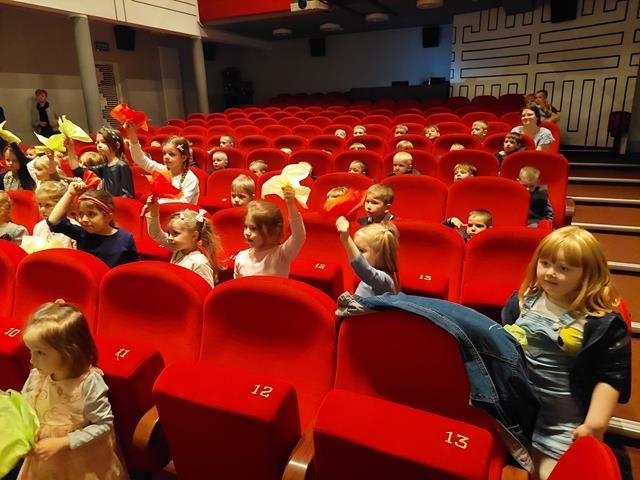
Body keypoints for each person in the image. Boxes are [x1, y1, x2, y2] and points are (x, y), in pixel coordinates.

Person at [501, 226, 630, 480]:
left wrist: (594, 424)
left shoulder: (599, 322)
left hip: (563, 423)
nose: (550, 272)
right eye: (545, 263)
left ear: (588, 274)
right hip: (520, 410)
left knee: (554, 472)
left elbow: (611, 376)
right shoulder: (523, 301)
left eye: (564, 268)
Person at [18, 301, 128, 479]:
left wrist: (64, 442)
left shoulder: (89, 383)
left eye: (40, 352)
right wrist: (24, 432)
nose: (32, 360)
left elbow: (104, 424)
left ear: (68, 352)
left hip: (81, 463)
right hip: (45, 462)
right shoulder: (38, 376)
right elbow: (24, 408)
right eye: (30, 351)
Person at [47, 182, 138, 267]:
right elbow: (53, 220)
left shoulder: (125, 238)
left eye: (91, 214)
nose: (84, 219)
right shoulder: (81, 234)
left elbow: (132, 267)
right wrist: (70, 194)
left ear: (108, 216)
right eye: (80, 214)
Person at [146, 199, 222, 287]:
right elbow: (157, 235)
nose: (170, 238)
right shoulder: (178, 248)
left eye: (175, 233)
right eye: (169, 233)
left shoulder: (200, 262)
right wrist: (154, 213)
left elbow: (206, 289)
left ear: (194, 236)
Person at [234, 186, 305, 278]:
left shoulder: (282, 254)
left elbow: (299, 235)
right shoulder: (241, 257)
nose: (247, 232)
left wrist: (290, 205)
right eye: (246, 227)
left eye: (253, 228)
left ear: (272, 231)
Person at [126, 121, 199, 204]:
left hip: (182, 212)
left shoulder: (190, 179)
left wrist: (157, 202)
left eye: (172, 154)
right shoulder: (162, 170)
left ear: (183, 158)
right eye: (164, 153)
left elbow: (183, 203)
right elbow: (139, 159)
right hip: (160, 210)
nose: (166, 157)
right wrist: (132, 134)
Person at [336, 216, 399, 297]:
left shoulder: (386, 281)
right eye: (356, 248)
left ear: (379, 255)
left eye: (361, 250)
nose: (356, 252)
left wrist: (346, 238)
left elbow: (363, 268)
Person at [67, 128, 134, 198]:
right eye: (97, 142)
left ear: (117, 145)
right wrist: (70, 148)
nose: (99, 145)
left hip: (120, 203)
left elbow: (128, 194)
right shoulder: (104, 167)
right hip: (107, 202)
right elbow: (78, 171)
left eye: (103, 142)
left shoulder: (122, 166)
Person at [32, 181, 76, 249]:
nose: (41, 209)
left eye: (47, 205)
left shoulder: (74, 227)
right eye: (40, 205)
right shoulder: (39, 227)